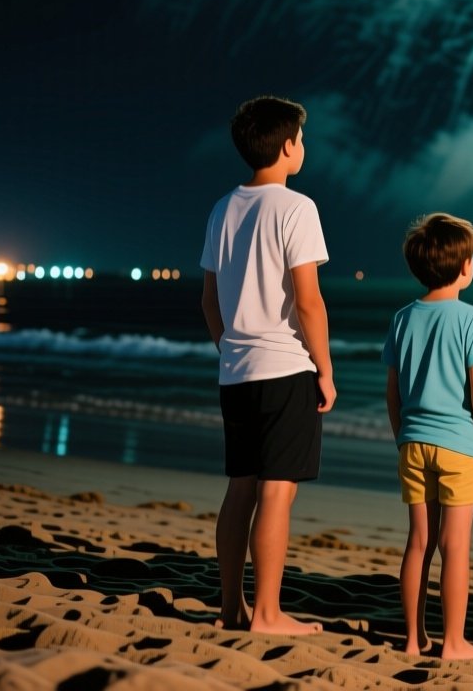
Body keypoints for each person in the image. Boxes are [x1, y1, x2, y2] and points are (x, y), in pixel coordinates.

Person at [199, 95, 335, 636]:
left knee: (241, 488)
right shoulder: (297, 207)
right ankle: (269, 614)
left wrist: (229, 348)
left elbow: (209, 303)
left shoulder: (222, 208)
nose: (303, 147)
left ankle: (232, 608)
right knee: (278, 491)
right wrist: (324, 369)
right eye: (300, 138)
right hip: (285, 368)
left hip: (236, 371)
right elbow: (309, 302)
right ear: (286, 146)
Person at [383, 213, 473, 659]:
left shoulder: (402, 319)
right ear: (465, 267)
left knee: (418, 542)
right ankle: (453, 642)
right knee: (455, 547)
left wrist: (403, 437)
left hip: (413, 444)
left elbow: (392, 392)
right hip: (460, 447)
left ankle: (414, 639)